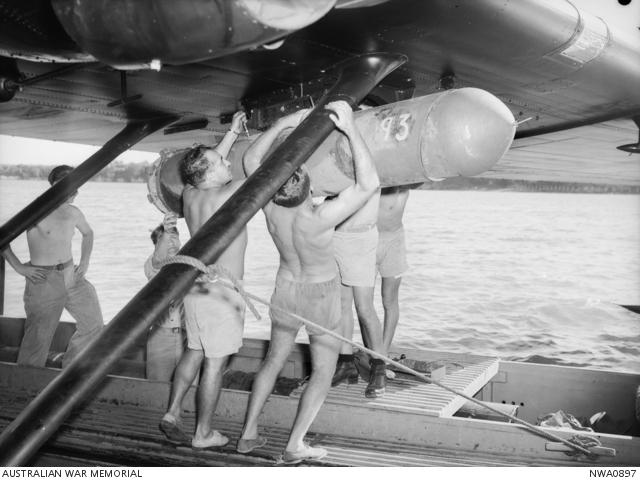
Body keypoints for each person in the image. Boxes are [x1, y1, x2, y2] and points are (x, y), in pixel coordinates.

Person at [237, 101, 380, 464]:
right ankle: (294, 444)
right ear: (307, 188)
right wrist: (349, 126)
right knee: (322, 370)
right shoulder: (319, 217)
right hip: (320, 294)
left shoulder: (269, 206)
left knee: (272, 360)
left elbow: (250, 161)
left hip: (285, 287)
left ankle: (248, 433)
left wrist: (286, 120)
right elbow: (370, 183)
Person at [159, 111, 248, 449]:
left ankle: (171, 412)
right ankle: (203, 433)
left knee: (194, 351)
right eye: (220, 162)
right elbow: (264, 171)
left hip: (195, 288)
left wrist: (231, 134)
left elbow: (207, 167)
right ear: (209, 174)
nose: (227, 163)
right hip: (222, 293)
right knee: (214, 364)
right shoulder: (229, 193)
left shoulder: (190, 195)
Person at [1, 165, 104, 367]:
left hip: (71, 276)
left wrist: (85, 261)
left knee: (94, 324)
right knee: (37, 341)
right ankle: (27, 391)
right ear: (55, 186)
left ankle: (70, 370)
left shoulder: (74, 212)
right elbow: (3, 237)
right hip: (43, 281)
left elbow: (88, 234)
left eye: (77, 187)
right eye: (72, 187)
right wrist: (20, 268)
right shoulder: (35, 211)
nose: (76, 192)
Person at [144, 213, 185, 381]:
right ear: (156, 246)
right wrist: (166, 232)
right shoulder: (152, 265)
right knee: (157, 388)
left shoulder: (190, 264)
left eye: (174, 237)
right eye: (165, 239)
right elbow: (159, 260)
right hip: (160, 337)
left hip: (187, 337)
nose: (171, 242)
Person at [377, 185, 415, 353]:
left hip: (395, 240)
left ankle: (382, 352)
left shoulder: (410, 176)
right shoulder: (377, 172)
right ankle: (372, 349)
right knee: (363, 304)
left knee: (389, 299)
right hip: (369, 238)